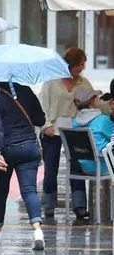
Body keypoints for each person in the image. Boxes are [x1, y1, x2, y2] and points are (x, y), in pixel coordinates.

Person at [0, 82, 46, 250]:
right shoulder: (26, 91)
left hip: (6, 149)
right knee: (29, 190)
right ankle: (37, 231)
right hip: (29, 148)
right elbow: (41, 119)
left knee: (1, 190)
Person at [39, 48, 94, 219]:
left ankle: (79, 206)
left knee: (77, 168)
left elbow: (92, 105)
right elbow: (42, 104)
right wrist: (46, 125)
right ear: (70, 63)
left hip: (74, 130)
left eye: (83, 65)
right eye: (79, 64)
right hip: (52, 131)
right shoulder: (51, 80)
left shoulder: (84, 83)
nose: (81, 68)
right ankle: (48, 205)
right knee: (51, 168)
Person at [71, 88, 114, 175]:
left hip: (84, 165)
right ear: (93, 101)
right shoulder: (102, 120)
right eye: (97, 97)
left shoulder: (75, 122)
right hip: (104, 165)